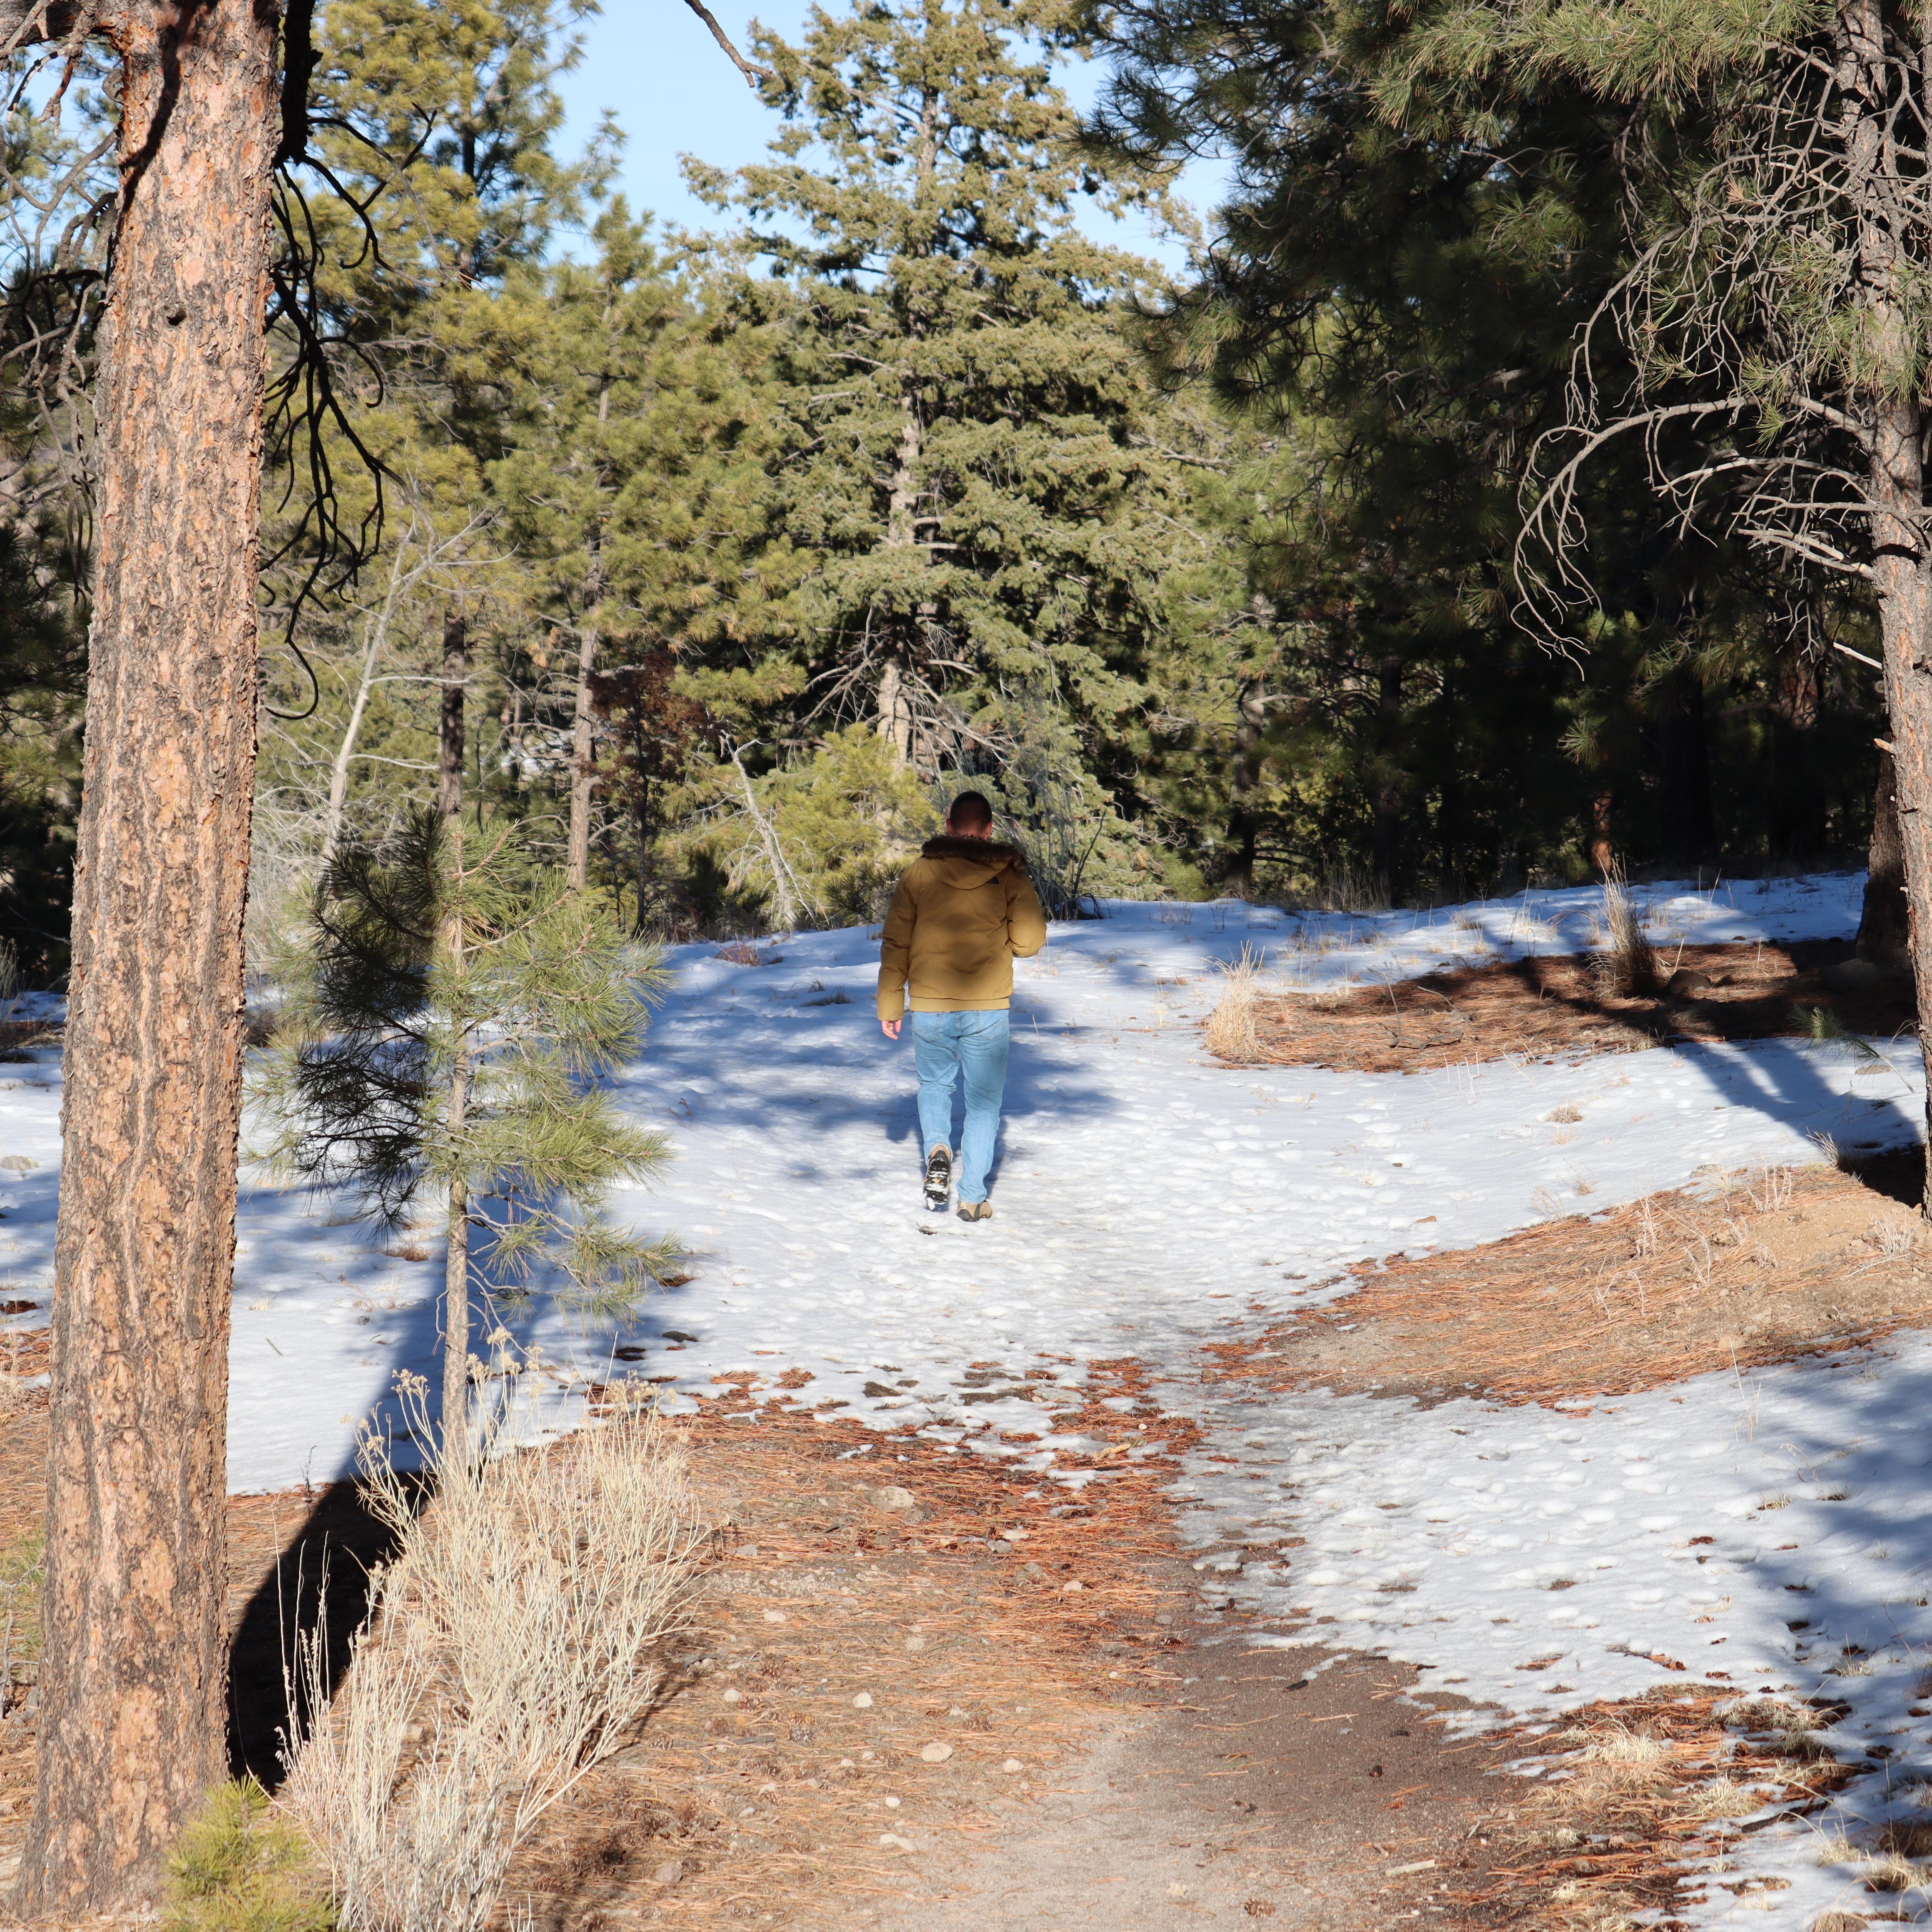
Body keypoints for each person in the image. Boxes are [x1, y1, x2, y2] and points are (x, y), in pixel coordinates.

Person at [877, 792, 1047, 1220]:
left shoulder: (919, 872)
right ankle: (971, 1197)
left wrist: (890, 1002)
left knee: (935, 1085)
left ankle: (937, 1147)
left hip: (930, 1003)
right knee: (983, 1103)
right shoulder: (1008, 872)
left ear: (949, 825)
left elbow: (896, 941)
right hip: (987, 1005)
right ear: (989, 829)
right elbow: (1029, 942)